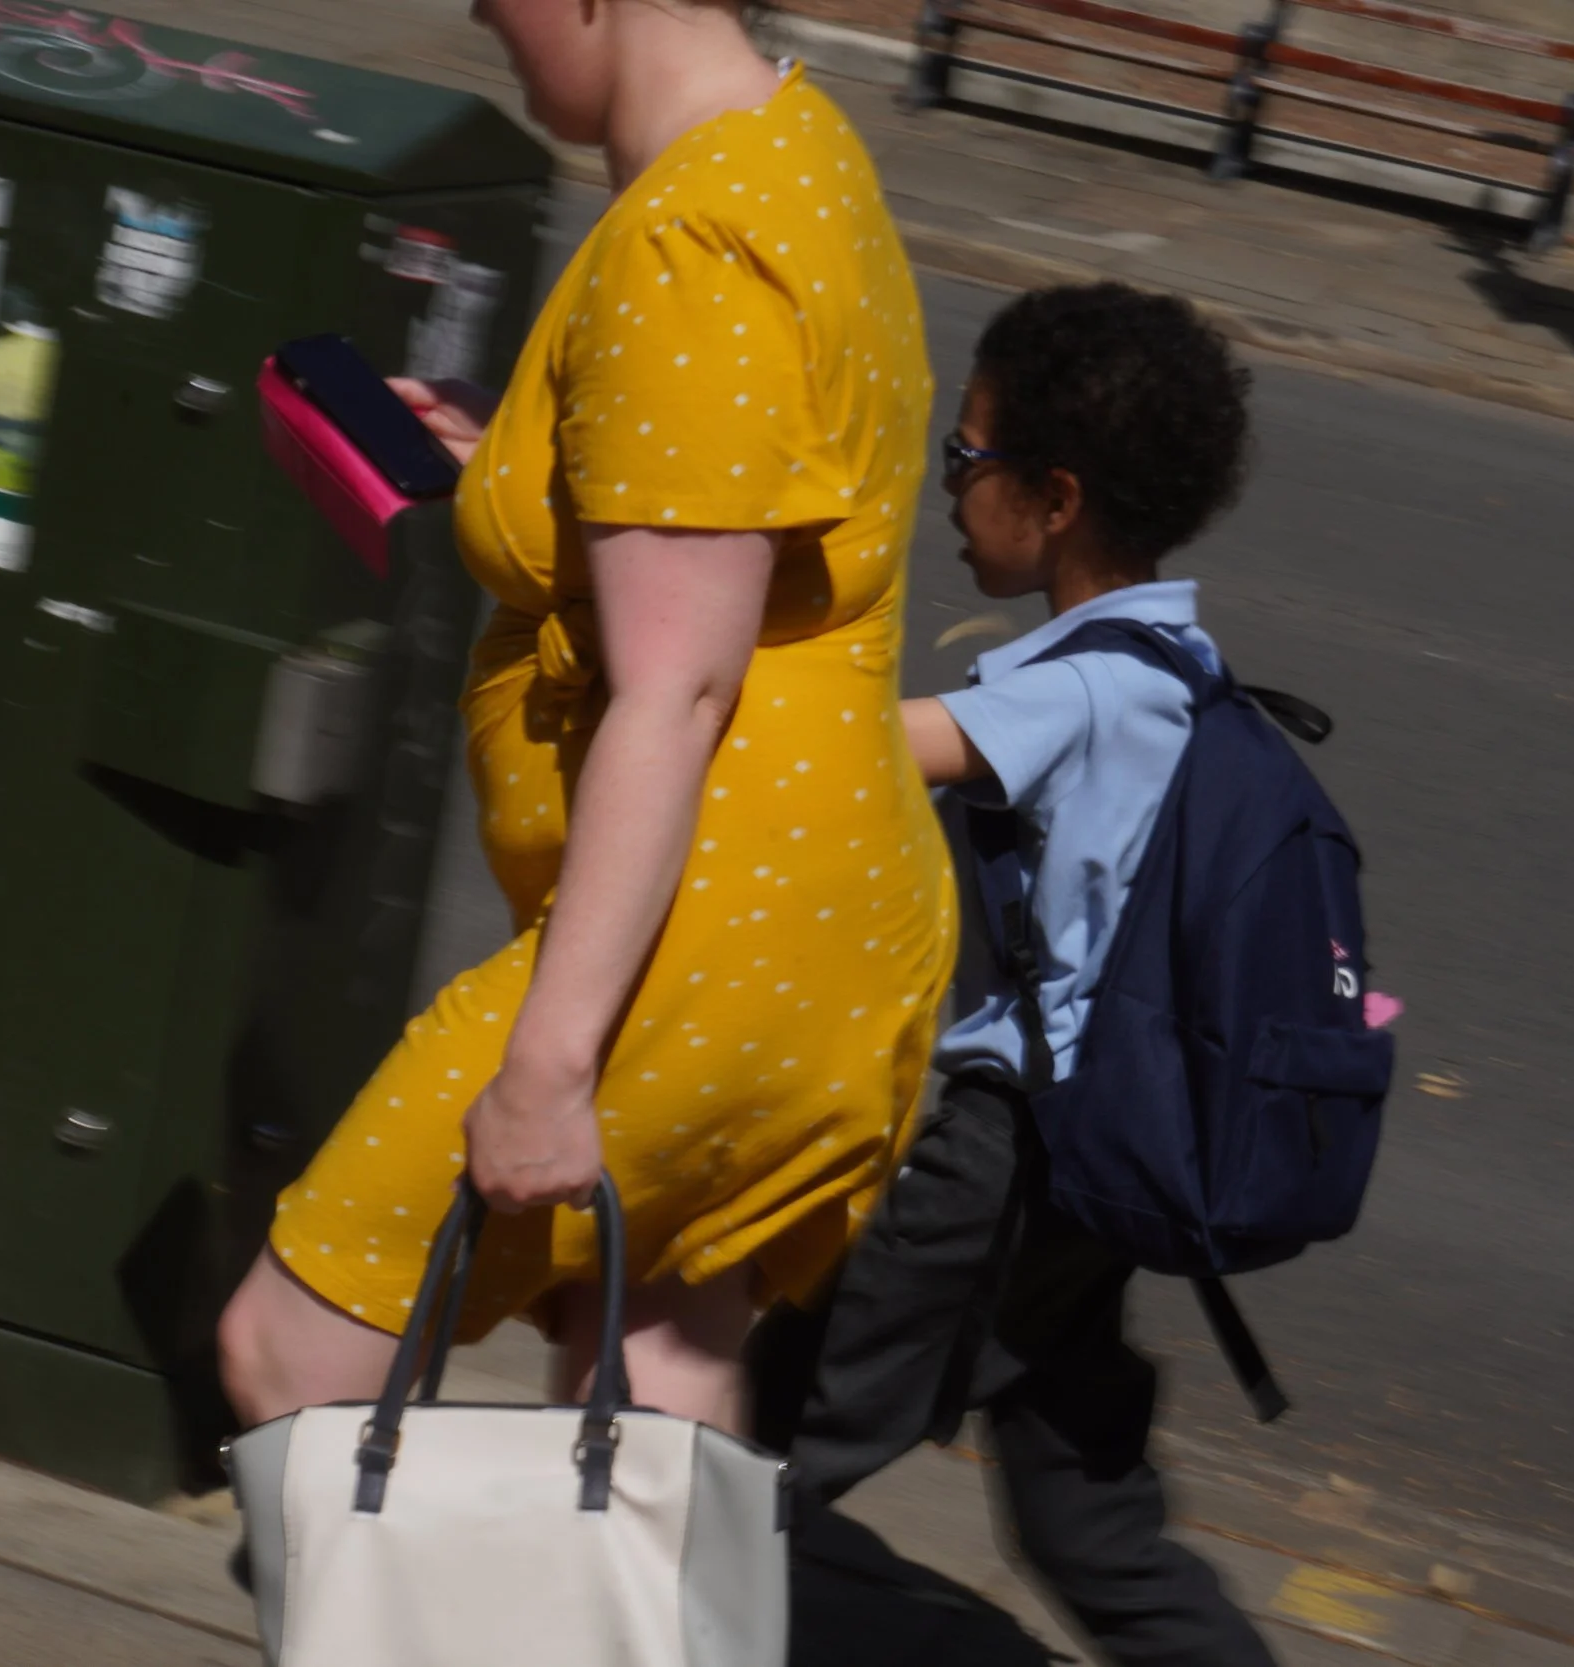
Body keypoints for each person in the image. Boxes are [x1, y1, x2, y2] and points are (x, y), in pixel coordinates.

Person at [218, 0, 956, 1441]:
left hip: (713, 934)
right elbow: (742, 491)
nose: (478, 9)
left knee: (290, 1360)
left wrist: (548, 1069)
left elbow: (678, 688)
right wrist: (536, 456)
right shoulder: (797, 145)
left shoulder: (690, 237)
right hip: (815, 922)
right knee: (649, 1384)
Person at [749, 282, 1278, 1666]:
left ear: (1054, 498)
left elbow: (845, 747)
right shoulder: (1179, 662)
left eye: (963, 456)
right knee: (1083, 1512)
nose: (948, 488)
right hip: (1103, 1150)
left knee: (761, 1441)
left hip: (1011, 1159)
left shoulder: (1078, 690)